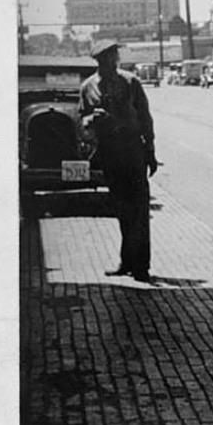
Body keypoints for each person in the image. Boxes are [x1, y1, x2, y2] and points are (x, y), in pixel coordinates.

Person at [79, 38, 159, 282]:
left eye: (115, 56)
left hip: (132, 151)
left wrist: (150, 152)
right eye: (109, 58)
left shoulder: (130, 82)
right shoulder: (88, 87)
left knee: (139, 210)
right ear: (99, 61)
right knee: (122, 210)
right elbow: (82, 119)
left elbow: (145, 118)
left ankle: (141, 266)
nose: (114, 61)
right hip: (110, 154)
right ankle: (127, 261)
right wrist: (92, 118)